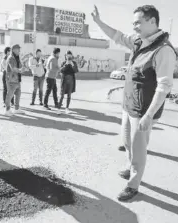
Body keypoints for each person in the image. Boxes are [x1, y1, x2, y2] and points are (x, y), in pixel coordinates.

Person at [92, 5, 177, 201]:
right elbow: (118, 36)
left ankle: (134, 184)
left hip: (144, 110)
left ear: (153, 22)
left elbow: (164, 86)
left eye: (138, 22)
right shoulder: (139, 41)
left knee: (139, 147)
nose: (135, 26)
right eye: (133, 23)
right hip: (129, 105)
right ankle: (131, 167)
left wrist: (148, 116)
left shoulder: (163, 50)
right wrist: (99, 22)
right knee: (126, 141)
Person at [5, 44, 26, 116]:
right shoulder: (11, 58)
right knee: (10, 95)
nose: (19, 50)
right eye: (18, 49)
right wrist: (20, 70)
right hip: (11, 80)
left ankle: (16, 109)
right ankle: (7, 110)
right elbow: (13, 68)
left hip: (17, 79)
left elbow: (20, 67)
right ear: (13, 49)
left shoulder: (17, 57)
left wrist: (23, 68)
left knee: (18, 94)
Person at [57, 50, 78, 115]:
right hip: (64, 81)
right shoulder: (64, 62)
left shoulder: (74, 63)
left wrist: (72, 65)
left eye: (70, 56)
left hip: (71, 81)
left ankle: (67, 108)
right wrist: (65, 65)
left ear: (71, 56)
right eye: (67, 56)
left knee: (69, 95)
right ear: (65, 56)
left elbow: (76, 71)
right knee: (62, 95)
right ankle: (59, 109)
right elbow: (60, 71)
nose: (68, 57)